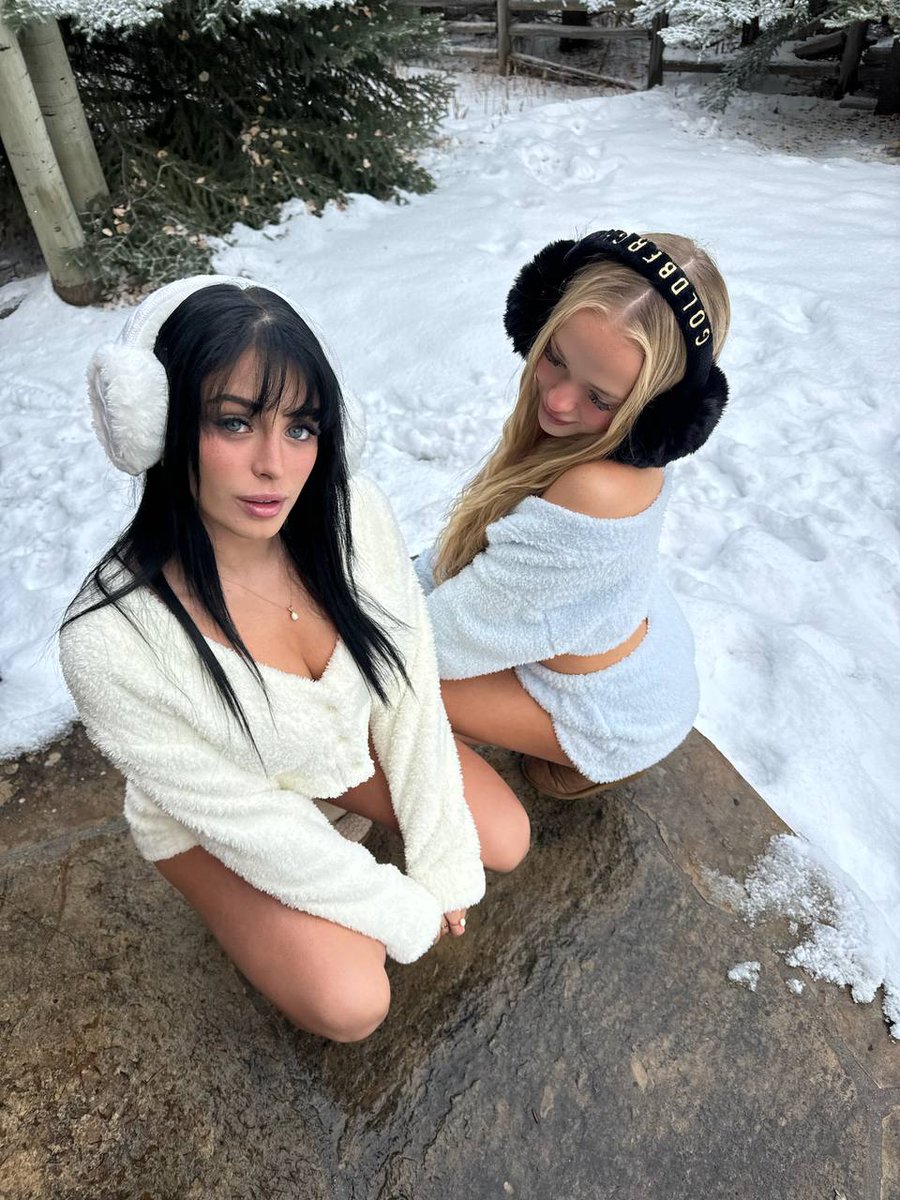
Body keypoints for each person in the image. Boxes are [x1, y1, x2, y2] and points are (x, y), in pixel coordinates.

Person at [59, 276, 530, 1042]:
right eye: (235, 422)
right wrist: (396, 906)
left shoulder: (353, 514)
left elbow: (406, 688)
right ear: (156, 423)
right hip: (215, 815)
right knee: (352, 999)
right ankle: (232, 903)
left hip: (325, 748)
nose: (275, 465)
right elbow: (247, 817)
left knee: (500, 837)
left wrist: (442, 858)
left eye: (302, 427)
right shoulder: (109, 640)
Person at [415, 229, 731, 800]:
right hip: (627, 656)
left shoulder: (595, 493)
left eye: (601, 399)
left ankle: (572, 764)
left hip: (611, 718)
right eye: (555, 358)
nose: (558, 400)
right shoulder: (599, 447)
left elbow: (438, 644)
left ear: (657, 418)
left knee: (384, 683)